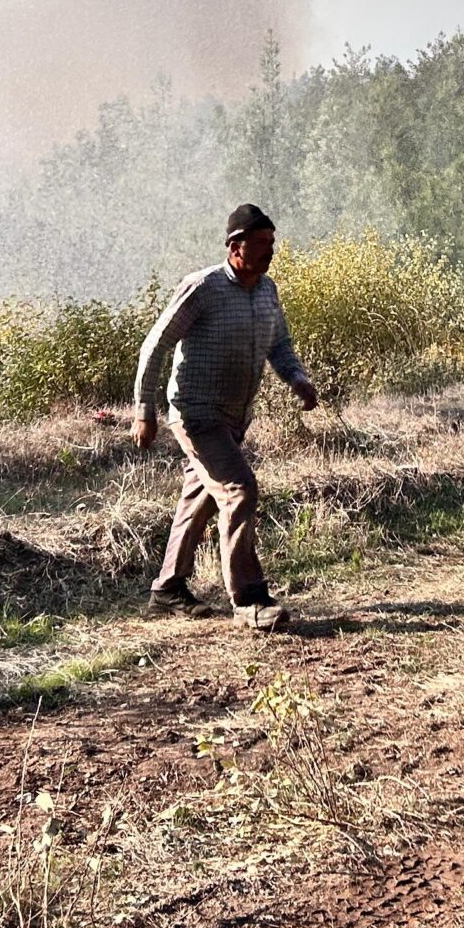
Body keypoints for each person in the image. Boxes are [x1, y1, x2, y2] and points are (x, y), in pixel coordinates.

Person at [134, 203, 320, 631]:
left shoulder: (267, 291)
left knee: (199, 497)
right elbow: (155, 346)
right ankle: (250, 600)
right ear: (235, 247)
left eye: (271, 243)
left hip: (236, 418)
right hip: (196, 414)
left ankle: (167, 590)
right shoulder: (203, 288)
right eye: (260, 244)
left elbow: (280, 345)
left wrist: (297, 379)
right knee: (240, 490)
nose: (269, 251)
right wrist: (144, 411)